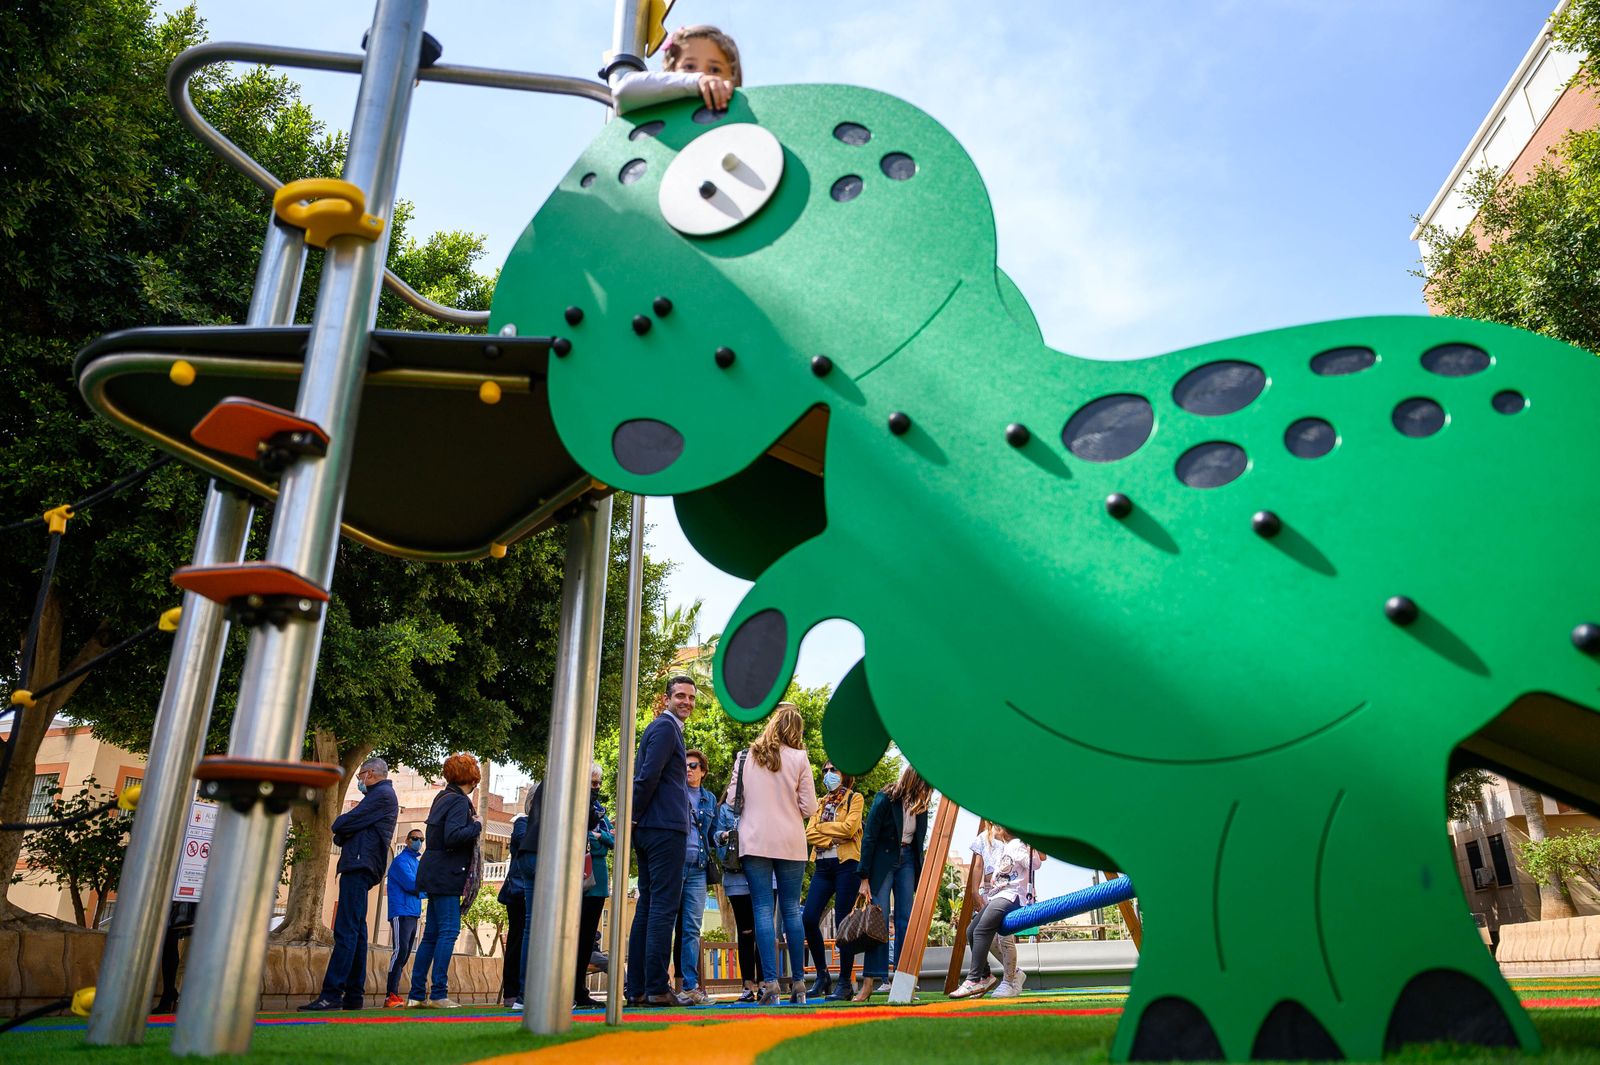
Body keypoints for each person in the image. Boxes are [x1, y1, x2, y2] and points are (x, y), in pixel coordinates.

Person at [725, 703, 818, 1005]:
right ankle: (800, 984)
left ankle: (770, 983)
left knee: (762, 910)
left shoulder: (746, 756)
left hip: (755, 841)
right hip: (791, 840)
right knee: (791, 910)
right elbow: (810, 808)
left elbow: (730, 800)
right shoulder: (801, 758)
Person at [301, 757, 398, 1011]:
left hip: (359, 864)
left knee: (346, 930)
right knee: (357, 930)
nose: (359, 781)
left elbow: (341, 824)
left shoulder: (382, 795)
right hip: (362, 864)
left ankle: (332, 993)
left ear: (370, 774)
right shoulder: (379, 797)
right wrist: (347, 829)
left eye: (360, 776)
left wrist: (347, 827)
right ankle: (354, 994)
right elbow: (344, 830)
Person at [625, 676, 695, 1007]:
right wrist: (633, 816)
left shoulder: (662, 729)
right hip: (664, 829)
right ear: (666, 699)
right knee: (663, 908)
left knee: (649, 906)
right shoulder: (666, 729)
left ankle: (638, 987)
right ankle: (655, 986)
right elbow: (646, 776)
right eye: (680, 696)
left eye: (691, 698)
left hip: (652, 828)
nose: (686, 702)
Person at [407, 753, 482, 1009]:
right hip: (448, 874)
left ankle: (416, 994)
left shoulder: (441, 798)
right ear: (470, 778)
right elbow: (453, 836)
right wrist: (477, 826)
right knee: (449, 931)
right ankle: (438, 993)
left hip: (432, 871)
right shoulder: (460, 803)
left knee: (431, 934)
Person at [853, 765, 932, 1001]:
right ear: (914, 782)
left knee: (905, 920)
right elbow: (869, 837)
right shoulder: (886, 797)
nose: (926, 792)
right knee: (878, 918)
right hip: (883, 860)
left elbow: (919, 843)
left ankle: (903, 982)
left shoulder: (921, 805)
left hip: (907, 860)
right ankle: (869, 983)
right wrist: (864, 876)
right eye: (923, 787)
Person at [951, 824, 1043, 999]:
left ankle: (974, 979)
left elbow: (1035, 864)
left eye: (998, 826)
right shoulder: (1008, 847)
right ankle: (985, 976)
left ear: (1005, 830)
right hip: (999, 894)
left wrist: (1033, 847)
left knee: (982, 930)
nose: (995, 828)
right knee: (971, 930)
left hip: (1013, 895)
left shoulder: (1017, 844)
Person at [801, 759, 864, 1000]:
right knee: (808, 918)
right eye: (825, 770)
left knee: (843, 922)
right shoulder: (820, 802)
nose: (828, 774)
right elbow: (809, 833)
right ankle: (822, 976)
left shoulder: (854, 798)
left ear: (844, 773)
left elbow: (850, 829)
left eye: (833, 770)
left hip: (847, 865)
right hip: (823, 866)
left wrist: (824, 830)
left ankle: (845, 983)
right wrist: (832, 837)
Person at [672, 747, 718, 1003]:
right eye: (685, 765)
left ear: (703, 771)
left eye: (693, 766)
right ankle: (660, 984)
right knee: (665, 924)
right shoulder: (674, 793)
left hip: (698, 869)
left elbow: (709, 835)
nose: (688, 769)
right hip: (674, 866)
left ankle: (690, 986)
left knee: (691, 929)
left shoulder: (709, 800)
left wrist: (720, 838)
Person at [612, 25, 740, 115]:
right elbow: (623, 91)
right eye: (689, 67)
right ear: (671, 71)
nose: (703, 74)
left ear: (732, 78)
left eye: (715, 69)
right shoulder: (662, 104)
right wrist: (695, 82)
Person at [714, 798, 763, 1001]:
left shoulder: (762, 802)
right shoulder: (724, 809)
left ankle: (764, 983)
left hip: (762, 874)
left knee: (763, 928)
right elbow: (716, 838)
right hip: (736, 877)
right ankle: (747, 985)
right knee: (745, 931)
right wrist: (725, 836)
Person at [575, 762, 615, 1009]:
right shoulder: (578, 807)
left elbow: (611, 839)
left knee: (588, 936)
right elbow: (588, 837)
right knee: (576, 936)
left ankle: (580, 990)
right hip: (579, 879)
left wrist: (601, 838)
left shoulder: (600, 810)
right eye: (593, 783)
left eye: (598, 783)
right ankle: (573, 988)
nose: (597, 787)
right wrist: (601, 838)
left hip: (597, 881)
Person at [384, 828, 424, 1008]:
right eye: (415, 838)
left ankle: (395, 994)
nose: (419, 842)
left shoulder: (416, 863)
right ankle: (390, 995)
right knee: (400, 951)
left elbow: (420, 885)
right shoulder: (400, 862)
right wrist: (430, 889)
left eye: (421, 839)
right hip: (401, 912)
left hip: (413, 912)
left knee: (405, 953)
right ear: (407, 840)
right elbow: (412, 885)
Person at [502, 804, 531, 1009]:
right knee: (516, 941)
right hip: (518, 892)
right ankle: (512, 993)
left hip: (533, 891)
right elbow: (522, 841)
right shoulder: (523, 822)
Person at [154, 900, 196, 1013]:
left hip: (199, 905)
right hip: (179, 902)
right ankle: (171, 995)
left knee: (187, 959)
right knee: (170, 947)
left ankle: (175, 997)